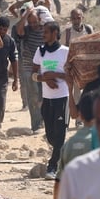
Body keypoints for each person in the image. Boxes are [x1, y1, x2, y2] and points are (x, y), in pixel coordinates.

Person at [32, 21, 70, 180]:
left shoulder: (65, 52)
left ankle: (52, 166)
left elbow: (71, 75)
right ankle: (63, 155)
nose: (43, 35)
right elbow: (33, 74)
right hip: (47, 99)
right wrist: (45, 79)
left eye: (46, 32)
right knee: (50, 136)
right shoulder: (40, 51)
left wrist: (55, 75)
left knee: (59, 134)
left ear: (55, 33)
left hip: (62, 98)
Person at [16, 8, 46, 131]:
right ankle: (36, 124)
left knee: (44, 96)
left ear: (40, 20)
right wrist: (27, 14)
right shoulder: (26, 30)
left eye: (35, 22)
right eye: (31, 22)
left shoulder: (45, 30)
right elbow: (19, 30)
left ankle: (44, 120)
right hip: (29, 67)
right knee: (32, 96)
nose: (33, 24)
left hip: (44, 67)